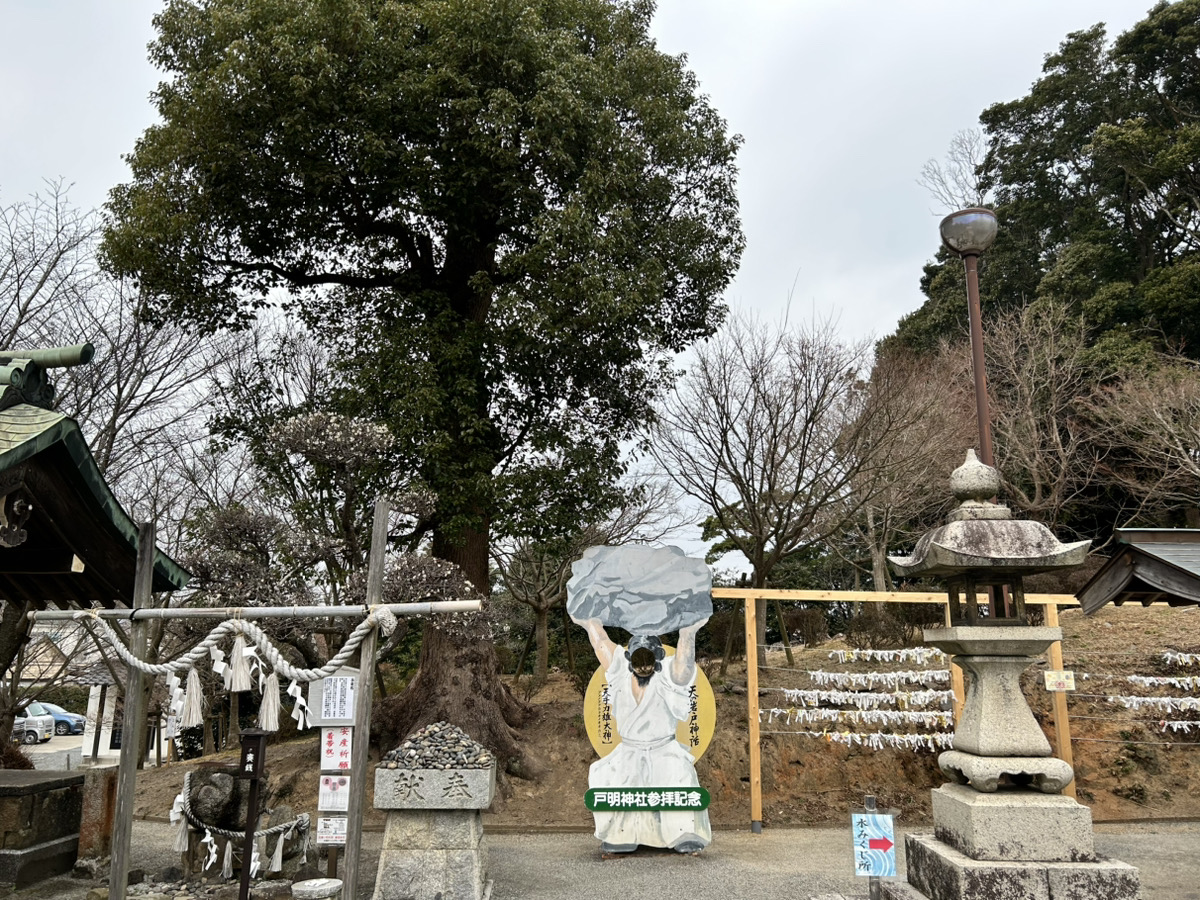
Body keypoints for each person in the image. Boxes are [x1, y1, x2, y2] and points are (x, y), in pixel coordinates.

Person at [572, 614, 712, 855]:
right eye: (638, 660)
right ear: (629, 659)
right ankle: (621, 836)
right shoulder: (619, 672)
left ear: (658, 659)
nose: (644, 666)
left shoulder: (667, 675)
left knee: (678, 777)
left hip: (664, 750)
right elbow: (601, 643)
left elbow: (683, 666)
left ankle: (683, 835)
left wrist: (688, 633)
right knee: (615, 781)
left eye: (649, 660)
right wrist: (588, 622)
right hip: (630, 750)